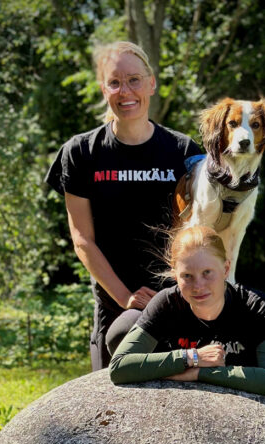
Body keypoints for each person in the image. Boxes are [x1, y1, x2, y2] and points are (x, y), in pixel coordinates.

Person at [45, 41, 201, 370]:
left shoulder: (183, 151)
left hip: (176, 299)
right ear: (104, 89)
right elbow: (82, 239)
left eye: (134, 79)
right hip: (114, 303)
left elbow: (199, 231)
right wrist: (125, 297)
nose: (125, 91)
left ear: (151, 83)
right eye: (115, 82)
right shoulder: (81, 153)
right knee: (110, 412)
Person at [109, 226, 265, 398]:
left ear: (225, 269)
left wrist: (198, 373)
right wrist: (191, 357)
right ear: (175, 275)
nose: (198, 286)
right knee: (122, 329)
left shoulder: (255, 306)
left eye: (207, 272)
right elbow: (119, 367)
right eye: (187, 276)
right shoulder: (167, 303)